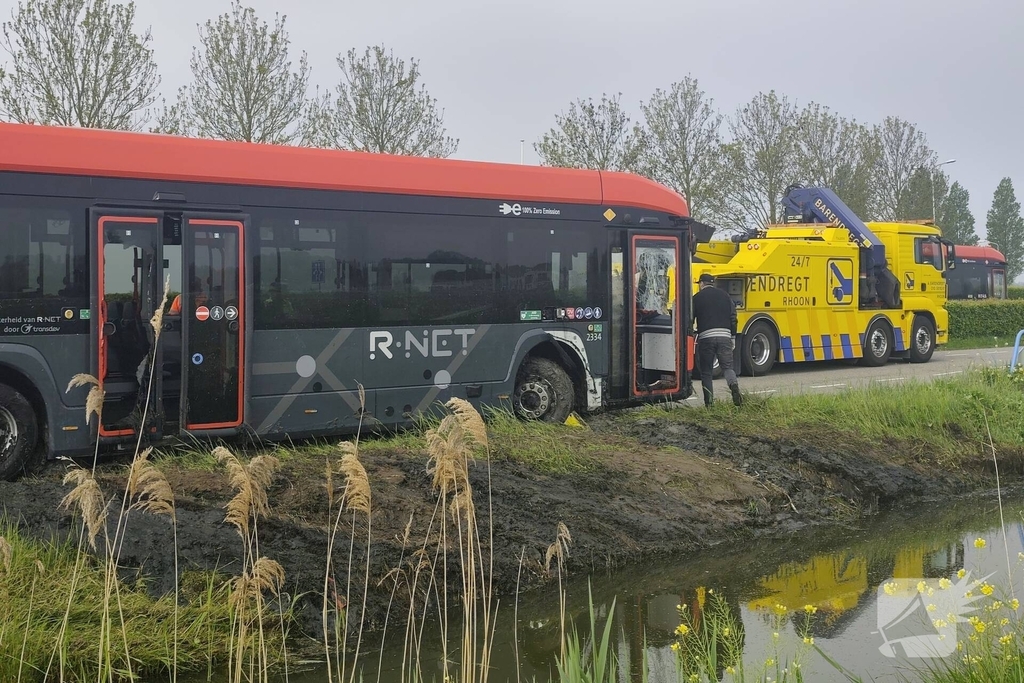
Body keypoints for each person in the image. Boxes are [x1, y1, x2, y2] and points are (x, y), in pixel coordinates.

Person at [692, 273, 742, 407]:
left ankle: (709, 404)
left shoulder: (697, 298)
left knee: (706, 372)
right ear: (712, 283)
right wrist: (733, 337)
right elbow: (733, 317)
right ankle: (733, 385)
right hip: (725, 336)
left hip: (706, 338)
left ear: (702, 283)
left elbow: (690, 318)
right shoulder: (725, 296)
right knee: (727, 368)